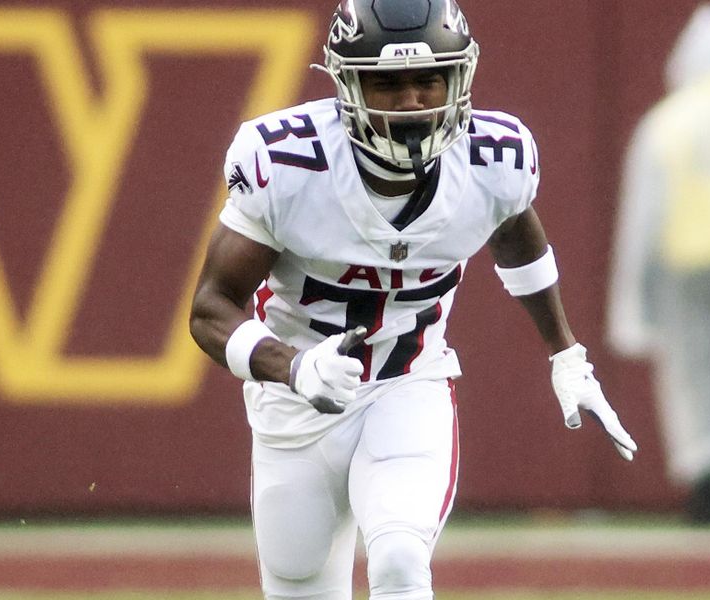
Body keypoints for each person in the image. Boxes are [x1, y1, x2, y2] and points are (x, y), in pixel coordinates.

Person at [190, 1, 637, 598]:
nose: (411, 103)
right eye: (387, 82)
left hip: (408, 385)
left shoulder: (492, 159)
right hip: (293, 406)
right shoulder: (287, 162)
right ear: (347, 82)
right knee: (297, 581)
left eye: (428, 79)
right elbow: (211, 309)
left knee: (400, 559)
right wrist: (294, 367)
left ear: (458, 78)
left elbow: (515, 233)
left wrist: (567, 354)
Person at [607, 2, 710, 525]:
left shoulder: (667, 125)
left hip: (693, 265)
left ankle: (708, 484)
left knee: (694, 377)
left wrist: (632, 305)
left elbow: (644, 218)